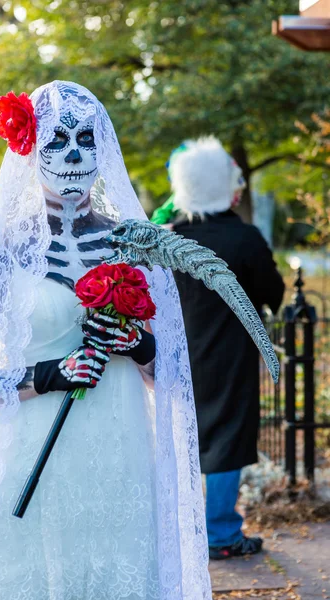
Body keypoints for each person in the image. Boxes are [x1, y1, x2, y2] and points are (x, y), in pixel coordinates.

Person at [0, 82, 211, 600]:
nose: (75, 154)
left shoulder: (130, 241)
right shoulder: (6, 248)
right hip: (34, 448)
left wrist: (136, 345)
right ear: (31, 145)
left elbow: (168, 373)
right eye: (59, 140)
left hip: (119, 452)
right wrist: (48, 375)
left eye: (86, 138)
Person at [152, 137, 285, 560]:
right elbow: (274, 292)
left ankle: (185, 530)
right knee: (227, 439)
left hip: (175, 352)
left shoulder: (166, 237)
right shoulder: (244, 238)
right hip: (230, 354)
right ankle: (221, 533)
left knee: (182, 438)